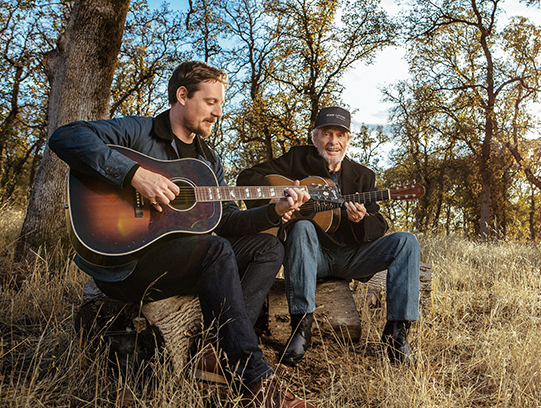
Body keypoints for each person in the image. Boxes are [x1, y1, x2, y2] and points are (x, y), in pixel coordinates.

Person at [49, 61, 316, 408]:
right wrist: (133, 175)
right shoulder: (139, 132)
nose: (219, 112)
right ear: (181, 96)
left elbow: (228, 222)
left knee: (267, 246)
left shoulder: (208, 162)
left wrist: (272, 212)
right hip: (129, 262)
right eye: (211, 102)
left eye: (221, 104)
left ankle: (213, 351)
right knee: (215, 250)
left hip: (183, 262)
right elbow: (66, 137)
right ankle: (256, 379)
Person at [237, 106, 421, 365]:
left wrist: (361, 220)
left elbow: (379, 225)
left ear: (348, 139)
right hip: (310, 256)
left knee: (407, 242)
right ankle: (301, 327)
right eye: (326, 134)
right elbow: (246, 177)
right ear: (315, 137)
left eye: (340, 135)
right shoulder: (296, 160)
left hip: (350, 257)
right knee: (302, 227)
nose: (333, 142)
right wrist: (284, 194)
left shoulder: (363, 177)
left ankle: (397, 334)